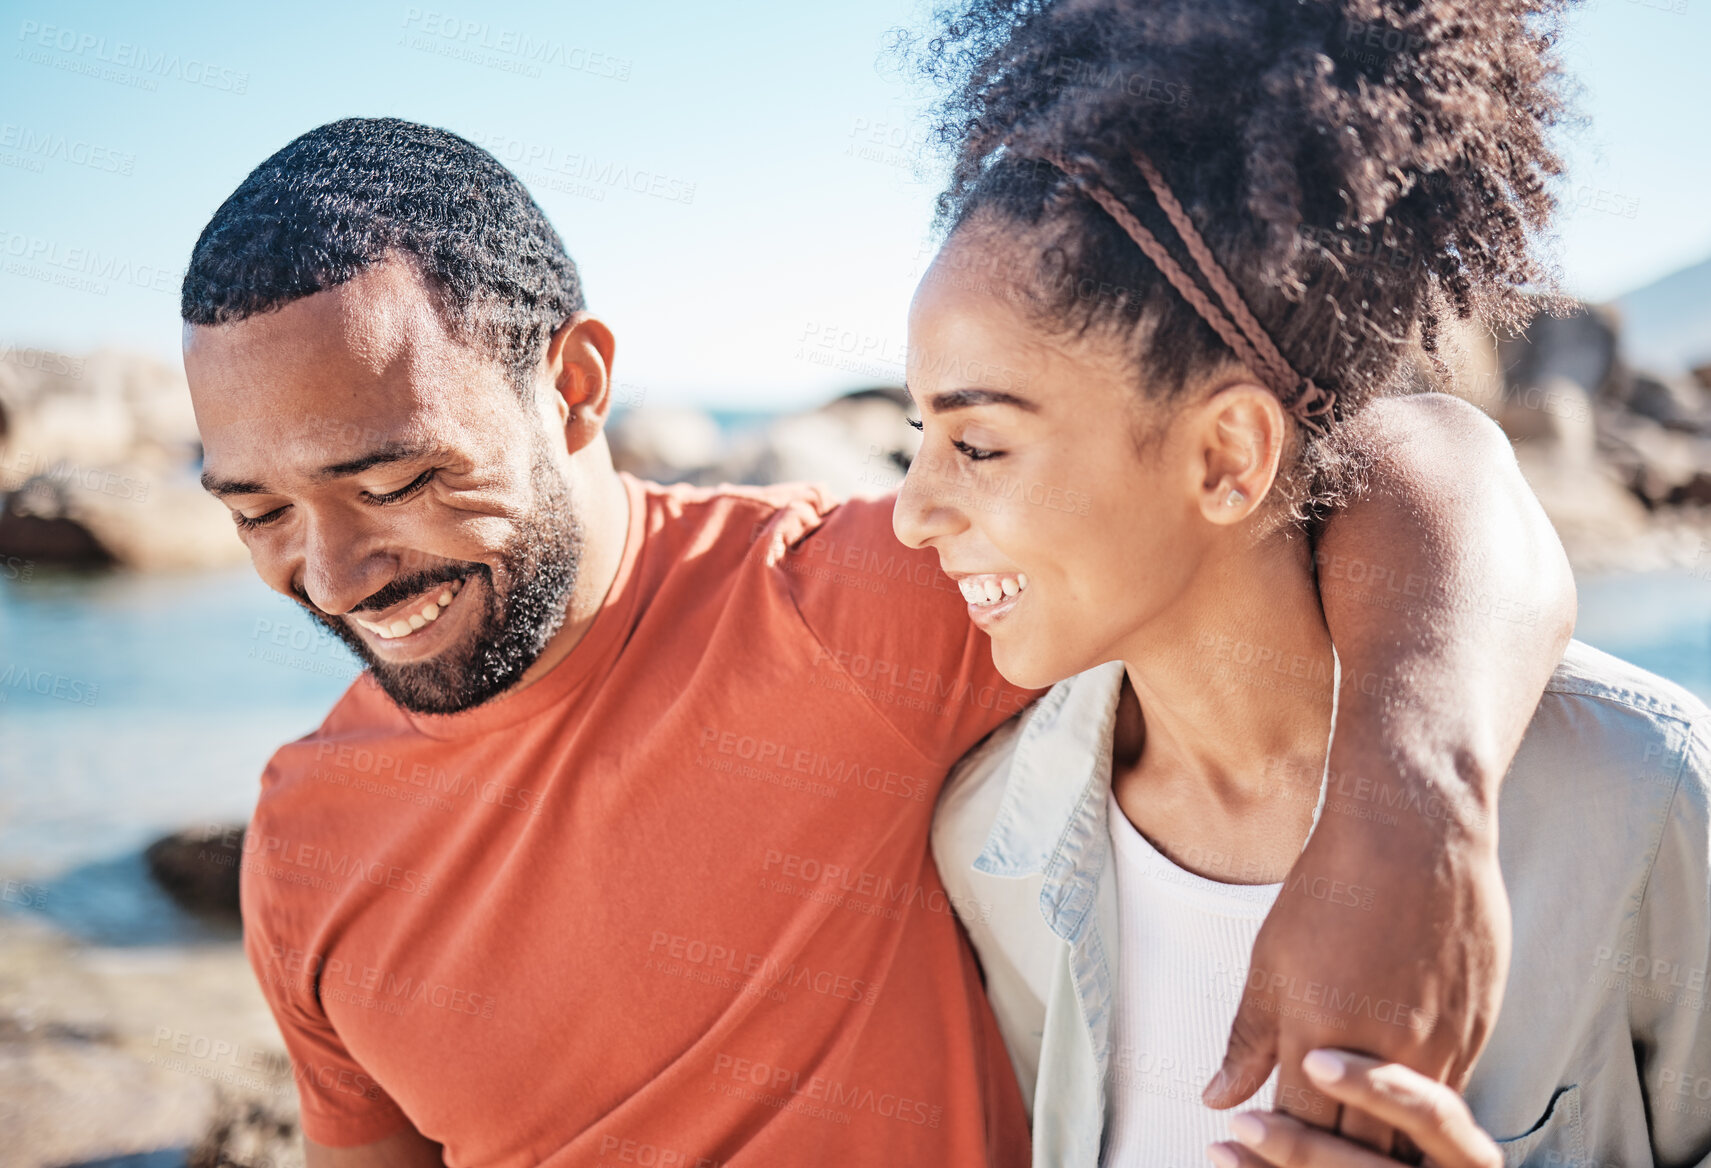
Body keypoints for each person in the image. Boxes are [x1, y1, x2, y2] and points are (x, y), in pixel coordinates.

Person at [181, 117, 1572, 1166]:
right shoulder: (305, 845)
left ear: (575, 384)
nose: (338, 571)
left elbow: (1397, 451)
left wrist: (1409, 823)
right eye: (257, 511)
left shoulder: (850, 598)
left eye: (397, 481)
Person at [899, 1, 1711, 1165]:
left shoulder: (1640, 795)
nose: (910, 513)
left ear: (1228, 456)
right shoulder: (992, 846)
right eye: (912, 435)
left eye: (977, 444)